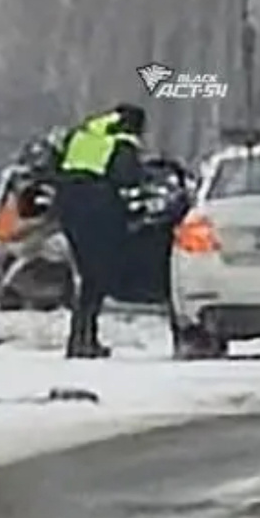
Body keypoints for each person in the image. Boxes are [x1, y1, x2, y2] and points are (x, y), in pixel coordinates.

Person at [54, 103, 147, 358]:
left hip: (68, 207)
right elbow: (129, 177)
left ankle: (78, 338)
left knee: (86, 275)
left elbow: (57, 165)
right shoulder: (122, 141)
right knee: (97, 277)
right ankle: (85, 340)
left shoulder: (84, 134)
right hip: (97, 210)